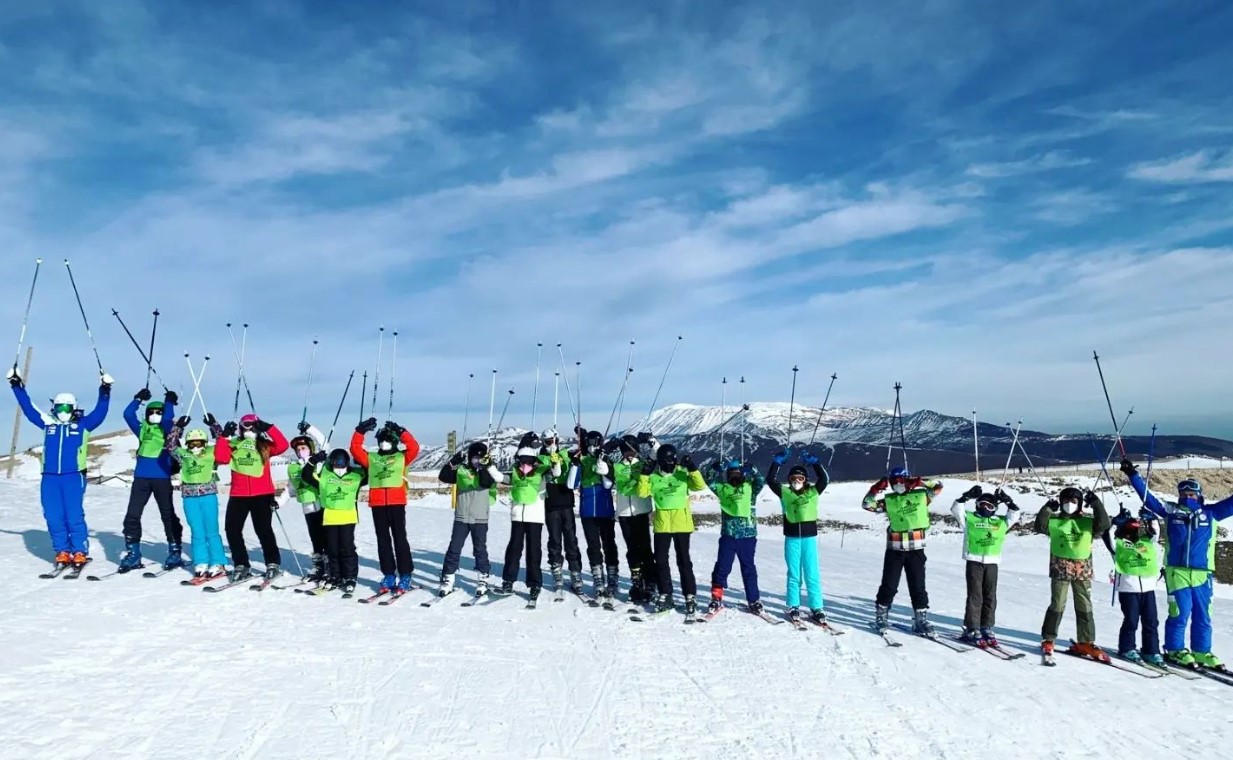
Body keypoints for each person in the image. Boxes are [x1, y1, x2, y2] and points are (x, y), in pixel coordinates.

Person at [1123, 460, 1233, 669]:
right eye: (1183, 494)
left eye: (1191, 494)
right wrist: (1133, 475)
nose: (1187, 497)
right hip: (1177, 572)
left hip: (1203, 573)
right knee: (1180, 612)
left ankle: (1202, 651)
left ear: (1199, 495)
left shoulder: (1211, 513)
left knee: (1203, 614)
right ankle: (1174, 649)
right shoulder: (1171, 512)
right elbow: (1149, 500)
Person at [7, 368, 112, 570]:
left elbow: (101, 411)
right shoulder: (48, 423)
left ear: (73, 407)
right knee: (53, 515)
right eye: (59, 407)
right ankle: (62, 551)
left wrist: (105, 389)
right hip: (50, 477)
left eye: (67, 407)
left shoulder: (84, 424)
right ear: (54, 407)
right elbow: (28, 407)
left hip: (73, 476)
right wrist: (15, 385)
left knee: (73, 514)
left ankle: (79, 551)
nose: (63, 411)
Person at [862, 466, 943, 634]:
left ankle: (921, 619)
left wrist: (921, 482)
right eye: (894, 482)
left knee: (918, 586)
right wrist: (875, 489)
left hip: (916, 549)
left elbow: (938, 486)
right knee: (889, 585)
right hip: (895, 549)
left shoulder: (921, 496)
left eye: (901, 481)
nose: (898, 484)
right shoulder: (889, 500)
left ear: (907, 480)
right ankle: (881, 616)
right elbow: (867, 504)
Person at [1034, 486, 1111, 661]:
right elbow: (1039, 526)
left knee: (1084, 605)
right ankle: (1048, 638)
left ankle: (1086, 641)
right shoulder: (1055, 522)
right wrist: (1047, 509)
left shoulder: (1088, 522)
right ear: (1061, 503)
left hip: (1082, 570)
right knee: (1057, 604)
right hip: (1060, 569)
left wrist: (1096, 504)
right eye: (1066, 501)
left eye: (1074, 501)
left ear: (1080, 503)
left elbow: (1104, 525)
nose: (1070, 504)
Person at [351, 417, 422, 594]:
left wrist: (401, 431)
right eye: (381, 440)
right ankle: (389, 574)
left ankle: (405, 574)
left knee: (400, 540)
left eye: (388, 440)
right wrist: (360, 431)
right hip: (378, 504)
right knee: (383, 542)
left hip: (397, 503)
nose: (384, 443)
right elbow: (355, 449)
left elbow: (414, 447)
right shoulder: (372, 459)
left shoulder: (401, 457)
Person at [215, 413, 289, 582]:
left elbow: (283, 445)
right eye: (245, 426)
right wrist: (223, 437)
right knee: (232, 530)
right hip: (238, 494)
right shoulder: (234, 444)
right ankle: (241, 564)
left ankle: (272, 564)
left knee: (263, 530)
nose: (248, 429)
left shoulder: (264, 445)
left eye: (252, 426)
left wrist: (269, 427)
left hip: (262, 494)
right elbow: (221, 458)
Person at [637, 443, 706, 614]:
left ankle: (690, 595)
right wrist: (645, 474)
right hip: (662, 525)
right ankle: (665, 593)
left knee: (684, 560)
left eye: (672, 460)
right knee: (660, 561)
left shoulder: (682, 474)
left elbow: (699, 486)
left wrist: (693, 468)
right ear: (660, 461)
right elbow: (642, 493)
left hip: (682, 523)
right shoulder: (654, 478)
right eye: (666, 460)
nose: (670, 463)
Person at [120, 388, 184, 571]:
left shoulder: (166, 429)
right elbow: (127, 414)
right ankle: (133, 554)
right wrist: (138, 398)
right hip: (141, 479)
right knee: (132, 515)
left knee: (167, 515)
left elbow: (166, 419)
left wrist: (169, 402)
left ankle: (174, 550)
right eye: (151, 412)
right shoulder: (142, 429)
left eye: (158, 412)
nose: (155, 415)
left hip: (161, 478)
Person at [950, 485, 1021, 647]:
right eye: (982, 504)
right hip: (974, 560)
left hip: (992, 562)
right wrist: (966, 496)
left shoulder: (1001, 522)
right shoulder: (970, 519)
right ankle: (972, 628)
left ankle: (986, 626)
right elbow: (956, 509)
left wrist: (1008, 501)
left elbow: (1015, 514)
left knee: (990, 595)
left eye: (989, 506)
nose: (985, 508)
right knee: (975, 596)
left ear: (995, 508)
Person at [767, 451, 829, 624]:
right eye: (793, 478)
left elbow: (824, 480)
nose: (796, 481)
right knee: (794, 573)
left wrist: (816, 463)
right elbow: (770, 480)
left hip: (809, 538)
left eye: (800, 479)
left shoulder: (813, 492)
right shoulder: (785, 493)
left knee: (812, 573)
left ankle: (817, 607)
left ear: (805, 480)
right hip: (792, 538)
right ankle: (793, 605)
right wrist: (776, 463)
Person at [436, 441, 502, 596]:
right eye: (474, 457)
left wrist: (484, 467)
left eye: (480, 457)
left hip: (480, 518)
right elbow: (443, 476)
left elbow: (485, 483)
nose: (477, 460)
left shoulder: (489, 471)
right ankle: (448, 578)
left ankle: (483, 577)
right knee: (454, 548)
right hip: (461, 517)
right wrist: (452, 463)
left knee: (479, 549)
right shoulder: (462, 470)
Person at [165, 418, 227, 580]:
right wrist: (178, 427)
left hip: (208, 496)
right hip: (189, 497)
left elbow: (223, 442)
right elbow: (170, 445)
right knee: (196, 531)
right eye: (191, 444)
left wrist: (214, 425)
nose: (195, 447)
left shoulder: (211, 452)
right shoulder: (183, 455)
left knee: (211, 531)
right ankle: (201, 562)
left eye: (199, 443)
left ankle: (218, 563)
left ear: (205, 443)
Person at [704, 457, 766, 616]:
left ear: (743, 474)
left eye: (738, 473)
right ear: (727, 475)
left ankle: (754, 600)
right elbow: (709, 479)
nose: (735, 476)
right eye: (731, 473)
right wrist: (715, 467)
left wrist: (752, 469)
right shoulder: (722, 488)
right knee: (722, 567)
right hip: (729, 535)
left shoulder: (750, 488)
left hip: (748, 535)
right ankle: (716, 597)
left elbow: (760, 480)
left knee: (748, 568)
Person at [299, 449, 365, 594]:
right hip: (330, 518)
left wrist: (361, 460)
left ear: (347, 463)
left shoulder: (355, 476)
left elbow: (369, 473)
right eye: (335, 462)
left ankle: (350, 577)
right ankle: (335, 575)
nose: (339, 466)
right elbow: (306, 476)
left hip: (348, 518)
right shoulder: (325, 478)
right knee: (332, 549)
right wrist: (314, 460)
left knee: (347, 548)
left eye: (342, 463)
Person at [500, 439, 558, 600]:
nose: (525, 463)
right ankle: (508, 581)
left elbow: (556, 473)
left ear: (534, 461)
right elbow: (500, 477)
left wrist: (555, 460)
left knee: (534, 551)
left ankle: (534, 584)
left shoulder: (542, 473)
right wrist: (489, 465)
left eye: (529, 460)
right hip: (518, 516)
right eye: (522, 460)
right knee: (513, 550)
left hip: (535, 517)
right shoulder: (515, 474)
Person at [570, 427, 620, 600]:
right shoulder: (583, 460)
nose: (591, 446)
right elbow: (572, 484)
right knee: (593, 546)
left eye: (594, 443)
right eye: (588, 443)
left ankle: (612, 578)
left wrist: (605, 469)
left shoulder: (606, 459)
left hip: (605, 510)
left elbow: (608, 484)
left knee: (609, 544)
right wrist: (575, 466)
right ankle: (598, 578)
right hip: (587, 511)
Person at [1110, 507, 1164, 665]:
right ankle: (1127, 648)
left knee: (1151, 621)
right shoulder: (1118, 544)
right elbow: (1108, 537)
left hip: (1148, 588)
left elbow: (1156, 531)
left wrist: (1151, 518)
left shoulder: (1146, 542)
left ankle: (1151, 650)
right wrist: (1114, 523)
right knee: (1131, 620)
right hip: (1129, 588)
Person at [611, 434, 655, 604]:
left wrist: (652, 441)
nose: (629, 453)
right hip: (624, 512)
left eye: (632, 450)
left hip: (641, 510)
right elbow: (603, 465)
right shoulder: (617, 466)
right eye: (626, 450)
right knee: (631, 548)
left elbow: (657, 455)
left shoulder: (643, 464)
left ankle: (650, 580)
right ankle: (636, 580)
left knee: (645, 547)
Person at [282, 422, 328, 582]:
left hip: (322, 505)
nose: (301, 451)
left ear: (310, 448)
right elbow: (290, 489)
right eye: (298, 449)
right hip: (307, 508)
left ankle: (331, 567)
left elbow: (323, 441)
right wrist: (278, 502)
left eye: (304, 448)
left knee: (327, 538)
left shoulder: (319, 461)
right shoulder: (293, 467)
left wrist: (309, 429)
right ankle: (319, 567)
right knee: (315, 539)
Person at [541, 428, 583, 595]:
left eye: (553, 440)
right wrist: (552, 461)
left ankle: (575, 573)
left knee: (571, 539)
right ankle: (557, 572)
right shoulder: (541, 457)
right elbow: (550, 472)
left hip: (566, 502)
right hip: (551, 504)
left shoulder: (565, 453)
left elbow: (572, 469)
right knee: (555, 540)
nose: (551, 444)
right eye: (547, 442)